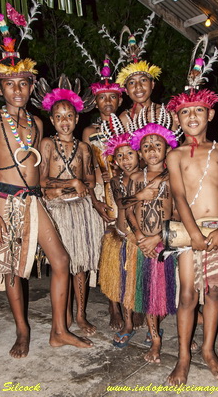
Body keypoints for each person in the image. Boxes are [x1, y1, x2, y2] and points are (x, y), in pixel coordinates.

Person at [0, 3, 92, 359]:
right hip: (5, 200)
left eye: (23, 84)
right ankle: (23, 331)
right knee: (14, 270)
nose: (17, 90)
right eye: (10, 84)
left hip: (33, 200)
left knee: (60, 260)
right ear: (0, 88)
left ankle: (59, 331)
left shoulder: (38, 124)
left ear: (30, 87)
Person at [166, 86, 218, 384]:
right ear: (176, 118)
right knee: (187, 294)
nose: (191, 116)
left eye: (198, 110)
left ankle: (207, 350)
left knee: (213, 291)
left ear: (210, 113)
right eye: (184, 112)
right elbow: (179, 196)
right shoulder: (175, 154)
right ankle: (183, 355)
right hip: (188, 233)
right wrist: (193, 233)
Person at [36, 81, 104, 337]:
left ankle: (80, 315)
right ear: (52, 120)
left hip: (81, 211)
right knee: (61, 264)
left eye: (69, 116)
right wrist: (71, 184)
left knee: (81, 266)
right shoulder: (47, 145)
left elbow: (90, 182)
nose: (64, 121)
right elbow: (41, 182)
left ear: (77, 118)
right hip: (56, 211)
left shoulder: (85, 148)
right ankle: (63, 315)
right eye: (59, 117)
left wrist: (75, 186)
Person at [124, 121, 178, 362]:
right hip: (142, 244)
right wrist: (139, 236)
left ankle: (185, 330)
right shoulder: (135, 178)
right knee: (149, 294)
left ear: (167, 149)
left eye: (158, 145)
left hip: (165, 242)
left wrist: (159, 237)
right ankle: (155, 339)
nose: (153, 150)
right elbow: (126, 208)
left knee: (170, 292)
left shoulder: (173, 177)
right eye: (147, 146)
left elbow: (177, 212)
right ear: (140, 151)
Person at [82, 60, 127, 331]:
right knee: (107, 251)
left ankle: (130, 301)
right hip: (102, 193)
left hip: (125, 192)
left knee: (126, 247)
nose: (107, 101)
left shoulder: (127, 126)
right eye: (102, 98)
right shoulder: (89, 132)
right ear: (95, 102)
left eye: (112, 97)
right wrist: (96, 192)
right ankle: (113, 306)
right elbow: (86, 169)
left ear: (119, 99)